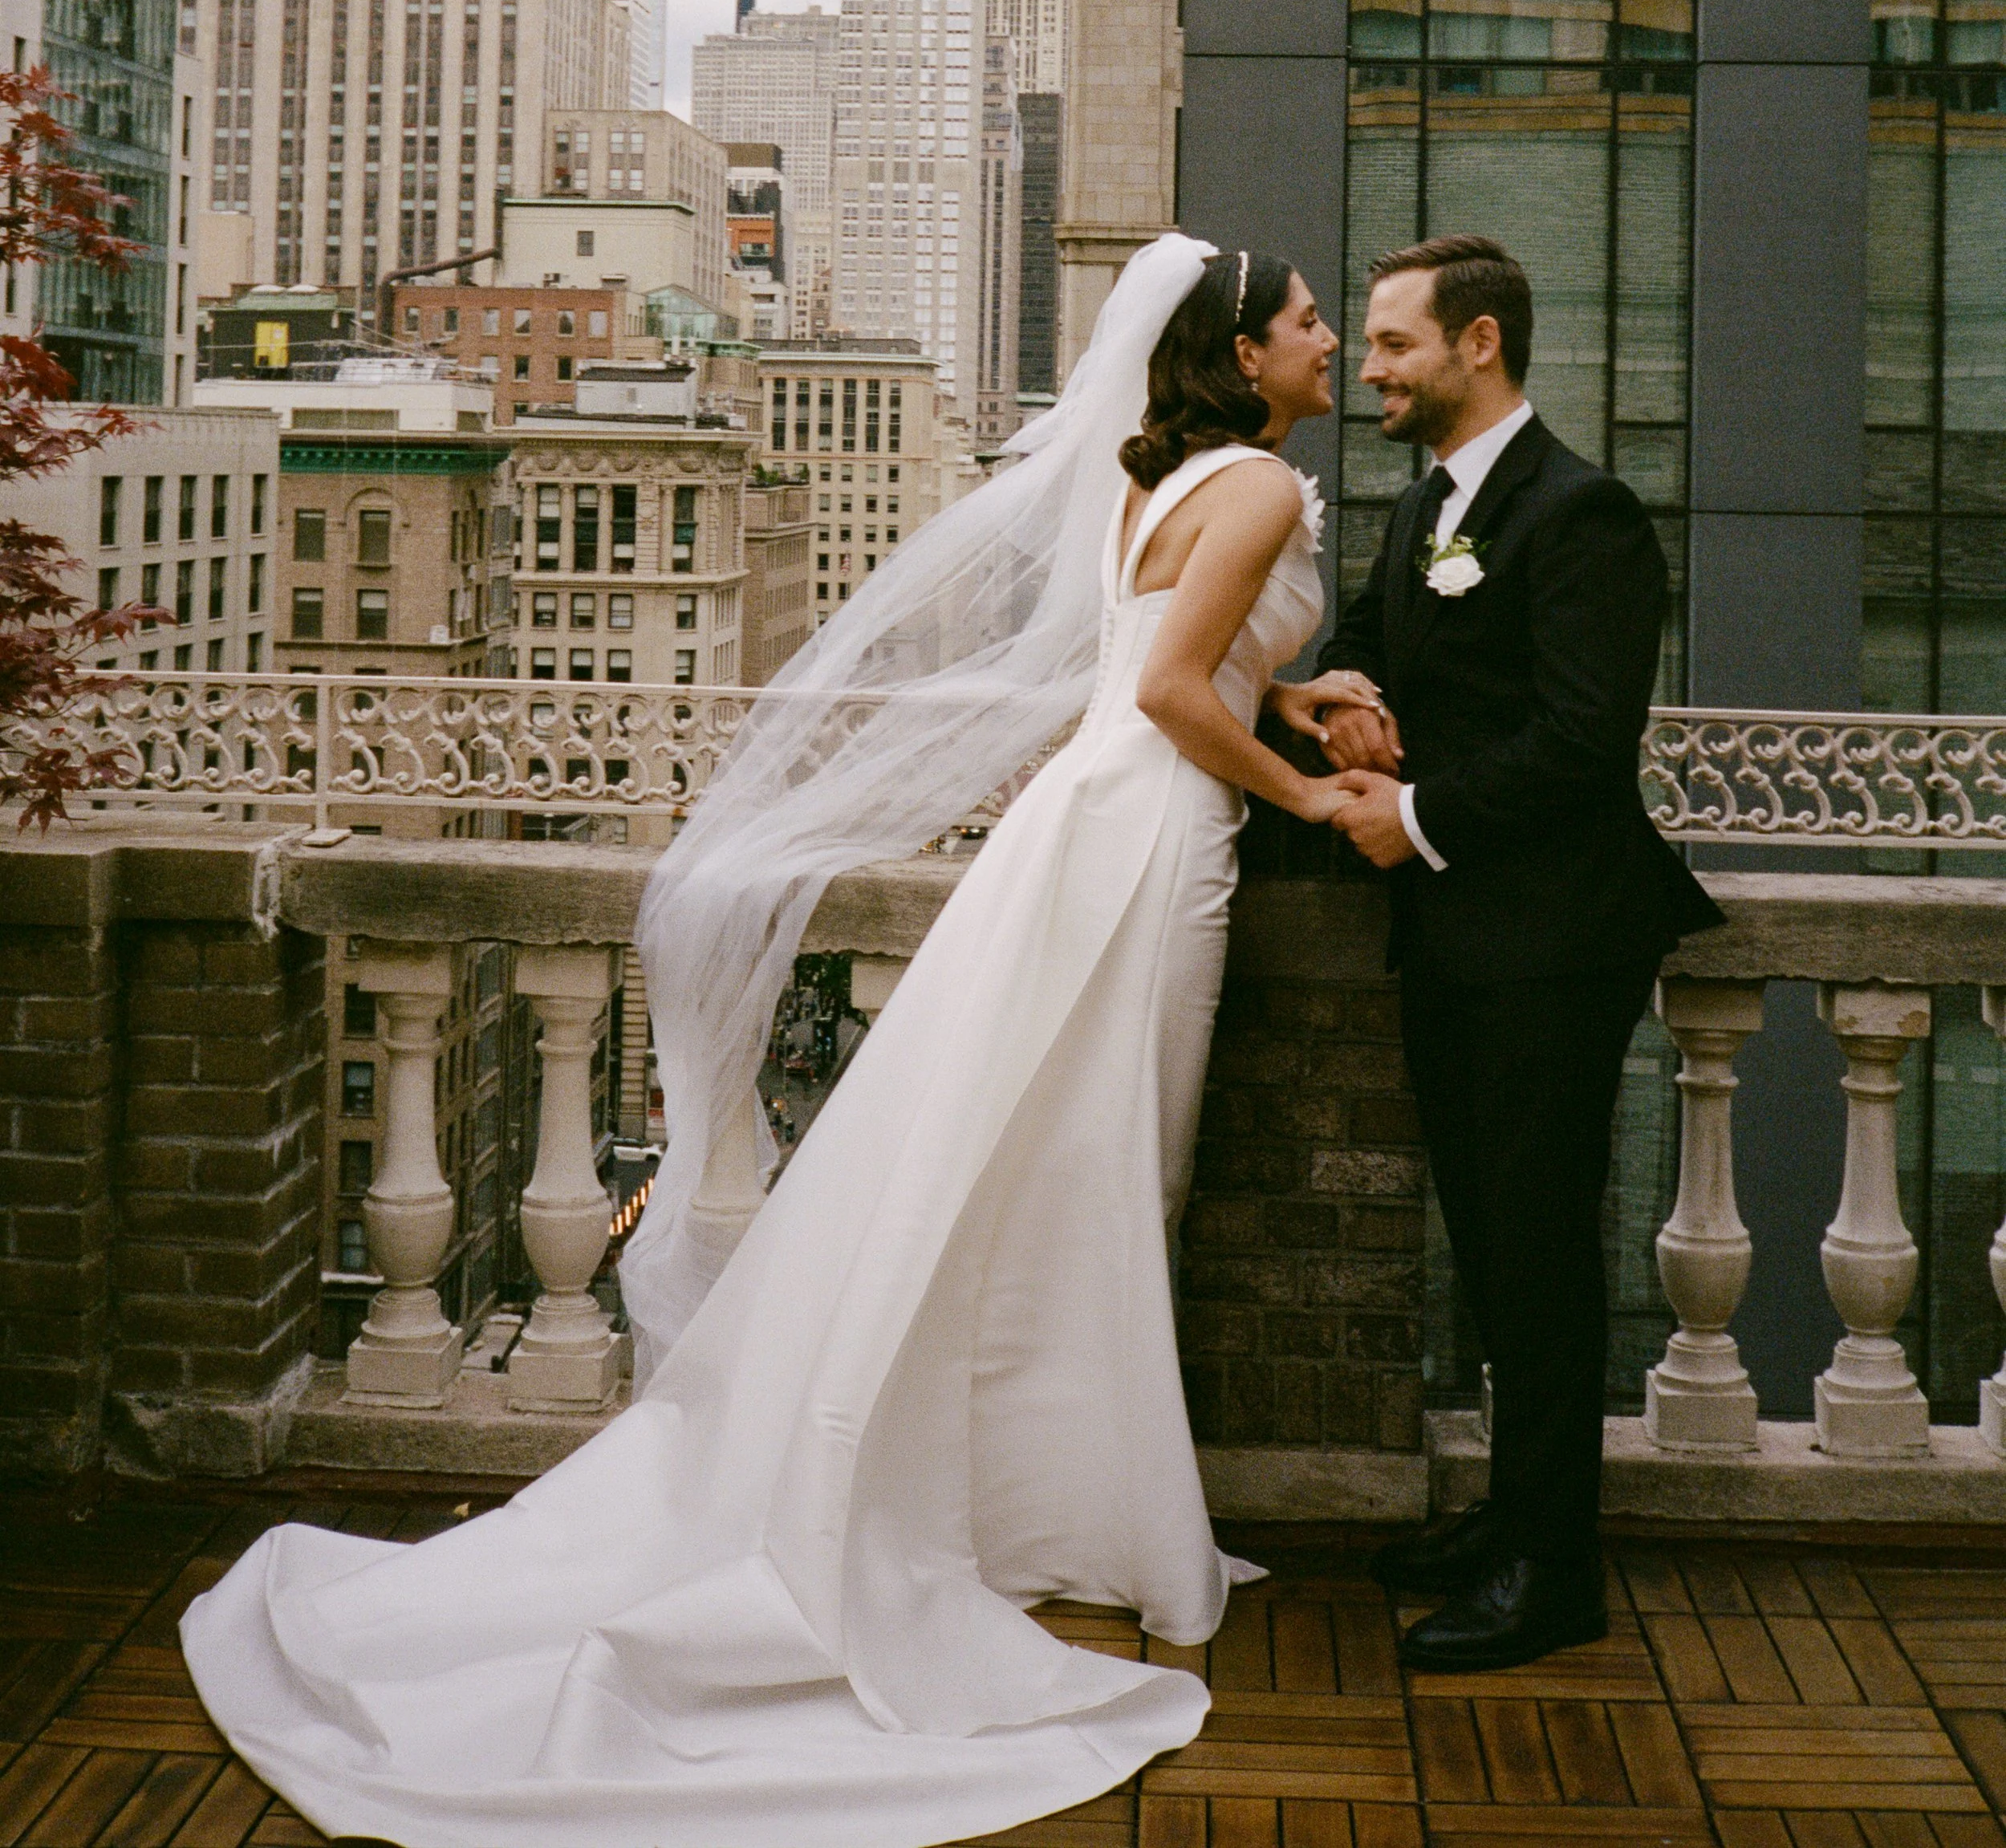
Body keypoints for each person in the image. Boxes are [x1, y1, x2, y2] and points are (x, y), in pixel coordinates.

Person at [181, 236, 1352, 1848]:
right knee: (1105, 1163)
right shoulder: (1264, 490)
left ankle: (1041, 1506)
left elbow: (1171, 652)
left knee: (1055, 1161)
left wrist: (1286, 699)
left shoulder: (1171, 481)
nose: (1330, 337)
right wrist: (1314, 794)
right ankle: (1062, 1514)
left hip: (1089, 825)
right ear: (1238, 349)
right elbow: (1162, 685)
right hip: (1153, 832)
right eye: (1304, 321)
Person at [1272, 234, 1719, 1677]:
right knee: (1488, 1235)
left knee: (1539, 1253)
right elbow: (1367, 644)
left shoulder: (1583, 514)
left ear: (1478, 346)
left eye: (1394, 343)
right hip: (1457, 945)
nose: (1372, 368)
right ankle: (1508, 1517)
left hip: (1552, 946)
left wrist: (1415, 813)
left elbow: (1588, 742)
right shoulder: (1422, 511)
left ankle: (1556, 1569)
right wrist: (1336, 705)